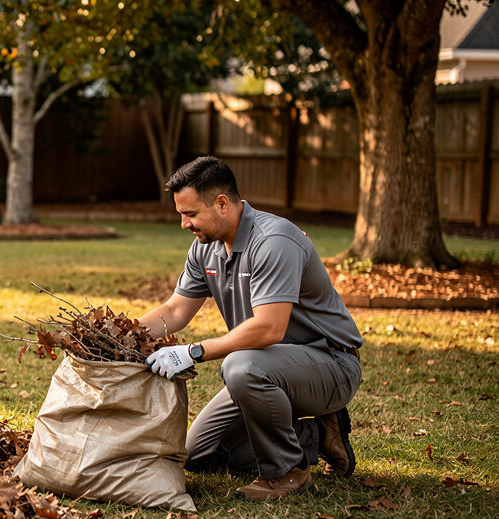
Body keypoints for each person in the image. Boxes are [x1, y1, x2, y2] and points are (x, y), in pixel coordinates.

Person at [141, 156, 362, 501]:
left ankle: (289, 473)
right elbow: (174, 310)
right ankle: (315, 434)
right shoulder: (205, 248)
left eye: (190, 214)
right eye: (181, 215)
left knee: (239, 366)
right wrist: (119, 333)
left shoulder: (274, 240)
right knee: (199, 454)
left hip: (330, 364)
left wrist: (192, 352)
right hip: (266, 367)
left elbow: (269, 329)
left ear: (222, 204)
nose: (184, 224)